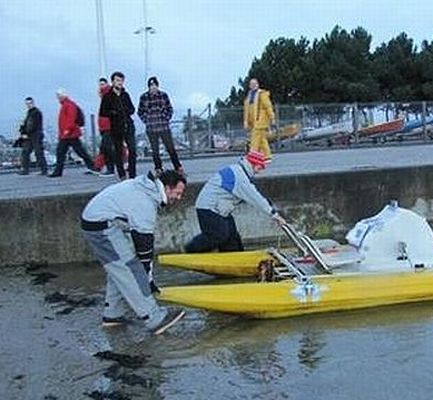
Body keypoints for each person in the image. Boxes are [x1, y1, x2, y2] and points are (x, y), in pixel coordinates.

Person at [81, 169, 187, 334]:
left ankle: (112, 315)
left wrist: (148, 275)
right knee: (130, 270)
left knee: (118, 269)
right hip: (101, 228)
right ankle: (154, 318)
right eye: (178, 193)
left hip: (101, 223)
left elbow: (144, 246)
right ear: (167, 188)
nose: (178, 198)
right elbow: (144, 248)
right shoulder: (145, 203)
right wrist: (148, 279)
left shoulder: (146, 189)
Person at [185, 150, 285, 253]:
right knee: (218, 235)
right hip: (208, 208)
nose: (259, 172)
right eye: (260, 168)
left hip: (220, 210)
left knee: (233, 238)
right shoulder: (240, 177)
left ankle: (234, 257)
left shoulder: (239, 172)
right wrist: (274, 215)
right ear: (253, 164)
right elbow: (255, 198)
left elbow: (255, 196)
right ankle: (191, 250)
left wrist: (270, 207)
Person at [137, 76, 183, 175]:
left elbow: (170, 108)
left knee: (171, 148)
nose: (153, 87)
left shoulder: (163, 95)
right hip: (151, 128)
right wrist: (147, 120)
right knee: (155, 151)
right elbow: (140, 111)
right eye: (151, 86)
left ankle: (178, 167)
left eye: (154, 85)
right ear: (148, 87)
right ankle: (158, 169)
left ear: (157, 86)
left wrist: (166, 118)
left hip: (164, 127)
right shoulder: (143, 97)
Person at [48, 88, 97, 178]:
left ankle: (58, 171)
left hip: (69, 133)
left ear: (63, 95)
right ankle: (93, 166)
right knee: (79, 151)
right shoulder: (68, 104)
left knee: (62, 152)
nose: (58, 98)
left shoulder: (68, 105)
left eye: (59, 96)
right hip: (70, 133)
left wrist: (67, 130)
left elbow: (71, 118)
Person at [100, 71, 136, 180]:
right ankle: (122, 175)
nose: (120, 83)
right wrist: (114, 113)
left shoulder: (125, 95)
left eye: (121, 81)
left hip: (128, 125)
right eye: (117, 80)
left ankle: (132, 174)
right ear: (113, 82)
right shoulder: (107, 96)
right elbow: (103, 112)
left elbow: (132, 109)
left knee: (132, 150)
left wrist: (125, 111)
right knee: (118, 151)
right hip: (116, 127)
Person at [243, 78, 275, 162]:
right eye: (251, 84)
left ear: (258, 85)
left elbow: (268, 106)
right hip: (253, 122)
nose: (253, 86)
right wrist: (246, 121)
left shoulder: (262, 94)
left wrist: (272, 117)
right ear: (249, 86)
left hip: (261, 120)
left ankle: (252, 156)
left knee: (255, 138)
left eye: (255, 84)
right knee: (262, 139)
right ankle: (267, 156)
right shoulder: (249, 96)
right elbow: (246, 110)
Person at [18, 97, 48, 176]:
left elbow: (31, 125)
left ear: (33, 103)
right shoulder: (31, 112)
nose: (28, 105)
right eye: (27, 104)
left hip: (35, 135)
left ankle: (41, 170)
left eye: (30, 103)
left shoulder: (35, 113)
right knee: (28, 152)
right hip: (33, 135)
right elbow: (29, 124)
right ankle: (40, 170)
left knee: (36, 152)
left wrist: (24, 132)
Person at [96, 78, 116, 176]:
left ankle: (110, 169)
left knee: (106, 147)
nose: (101, 86)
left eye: (103, 84)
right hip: (105, 127)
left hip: (109, 127)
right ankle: (98, 167)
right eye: (100, 84)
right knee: (104, 148)